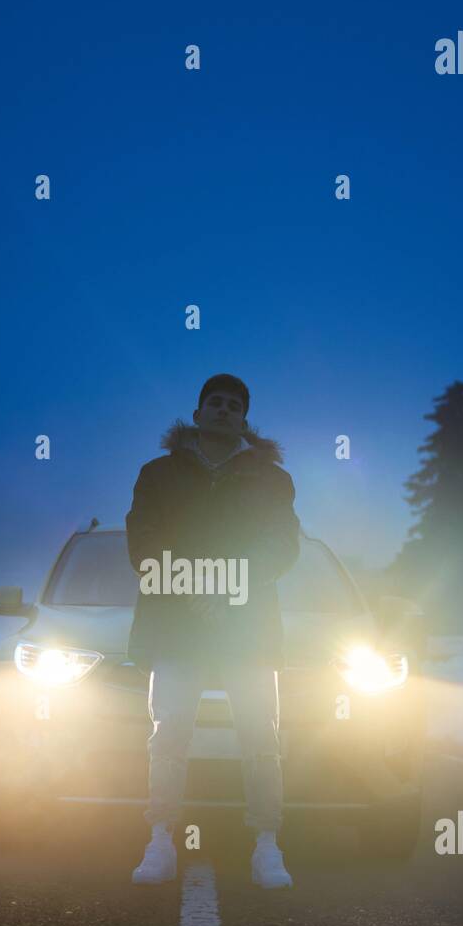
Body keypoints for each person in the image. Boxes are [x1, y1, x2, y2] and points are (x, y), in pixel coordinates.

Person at [125, 373, 300, 888]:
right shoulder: (157, 474)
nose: (224, 410)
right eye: (214, 403)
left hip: (247, 630)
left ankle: (267, 845)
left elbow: (283, 545)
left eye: (234, 405)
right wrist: (196, 592)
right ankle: (160, 840)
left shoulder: (273, 479)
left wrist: (228, 592)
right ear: (197, 414)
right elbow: (144, 542)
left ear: (244, 420)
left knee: (261, 737)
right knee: (169, 736)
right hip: (177, 627)